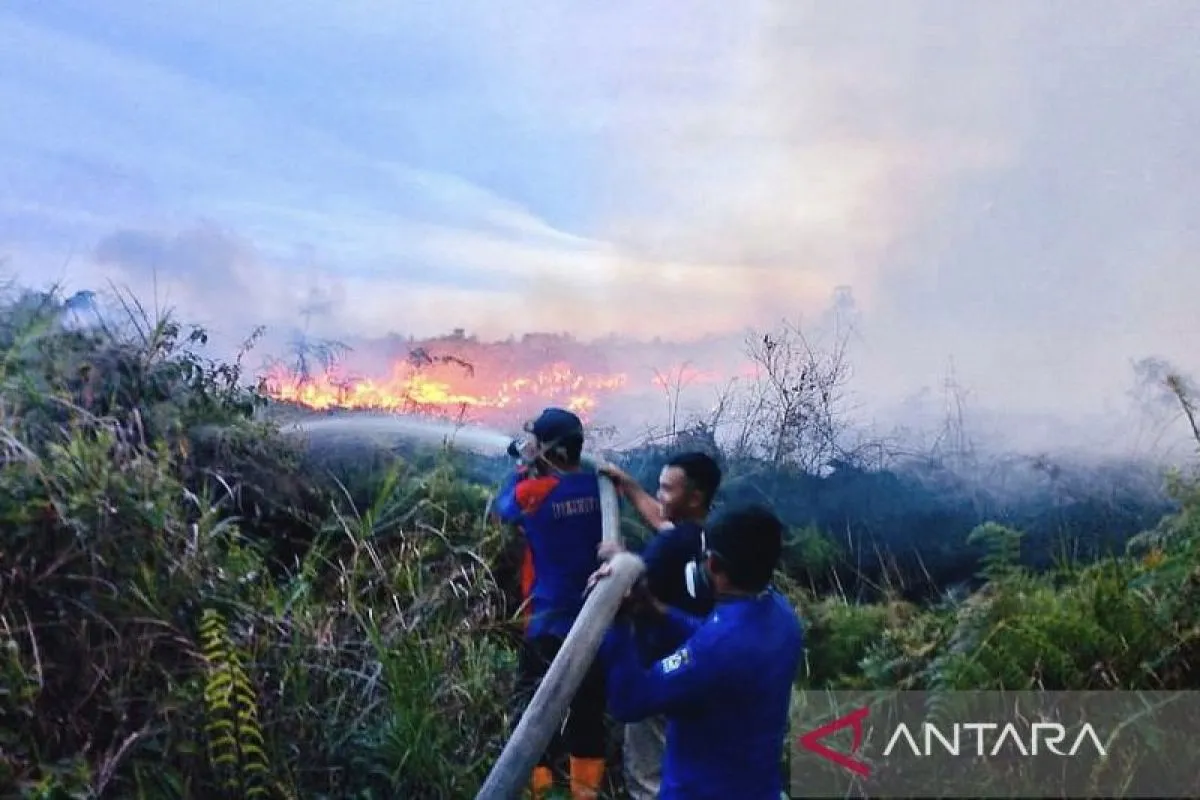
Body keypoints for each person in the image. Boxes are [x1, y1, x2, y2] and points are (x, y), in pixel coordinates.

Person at [592, 503, 804, 800]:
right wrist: (655, 609)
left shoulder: (717, 650)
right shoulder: (781, 615)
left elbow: (629, 701)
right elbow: (711, 639)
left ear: (714, 565)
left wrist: (617, 621)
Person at [491, 408, 608, 800]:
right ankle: (585, 794)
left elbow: (502, 509)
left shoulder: (533, 492)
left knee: (531, 714)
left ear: (552, 451)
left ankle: (538, 794)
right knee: (588, 716)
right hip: (595, 622)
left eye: (537, 443)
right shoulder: (599, 488)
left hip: (547, 622)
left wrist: (521, 469)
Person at [596, 452, 721, 799]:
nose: (659, 495)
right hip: (694, 670)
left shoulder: (669, 545)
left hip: (658, 674)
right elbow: (664, 523)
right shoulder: (707, 538)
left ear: (694, 498)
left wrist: (617, 559)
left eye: (667, 489)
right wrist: (630, 486)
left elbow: (632, 586)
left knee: (648, 777)